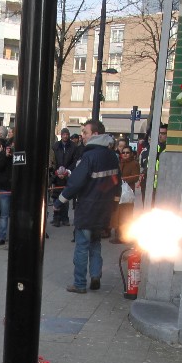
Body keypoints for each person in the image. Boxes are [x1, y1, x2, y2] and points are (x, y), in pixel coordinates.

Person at [56, 120, 119, 294]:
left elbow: (76, 183)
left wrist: (59, 201)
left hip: (87, 208)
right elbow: (116, 182)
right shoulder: (112, 156)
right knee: (95, 244)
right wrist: (111, 203)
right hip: (103, 209)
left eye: (85, 132)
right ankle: (96, 275)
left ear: (95, 135)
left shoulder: (89, 156)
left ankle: (79, 283)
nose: (82, 135)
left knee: (82, 246)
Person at [51, 128, 80, 226]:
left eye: (67, 134)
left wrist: (67, 171)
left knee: (65, 196)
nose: (65, 136)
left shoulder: (73, 147)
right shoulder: (56, 146)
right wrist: (56, 172)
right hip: (57, 175)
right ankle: (56, 218)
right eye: (64, 134)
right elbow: (53, 160)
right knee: (56, 196)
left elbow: (75, 161)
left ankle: (65, 218)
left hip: (68, 174)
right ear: (61, 135)